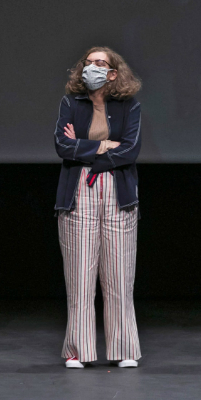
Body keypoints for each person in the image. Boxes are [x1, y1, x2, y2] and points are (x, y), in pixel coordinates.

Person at [53, 47, 142, 369]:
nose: (92, 68)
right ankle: (78, 350)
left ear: (113, 73)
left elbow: (130, 150)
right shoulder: (70, 103)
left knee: (119, 277)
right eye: (88, 63)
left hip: (118, 192)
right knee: (79, 276)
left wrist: (85, 149)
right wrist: (104, 146)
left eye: (100, 64)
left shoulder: (129, 105)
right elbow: (62, 146)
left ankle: (123, 349)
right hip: (78, 192)